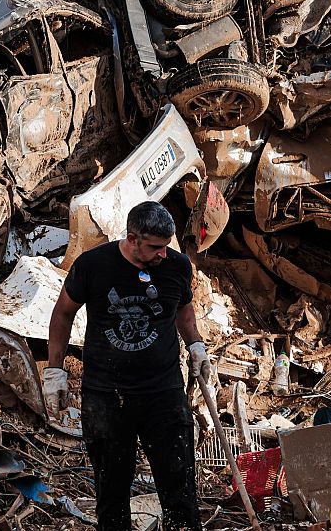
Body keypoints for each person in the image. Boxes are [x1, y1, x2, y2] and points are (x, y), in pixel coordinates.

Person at [45, 202, 212, 531]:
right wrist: (55, 371)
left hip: (163, 393)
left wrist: (195, 344)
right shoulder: (93, 265)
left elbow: (183, 309)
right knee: (112, 491)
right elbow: (63, 313)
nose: (163, 254)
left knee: (179, 485)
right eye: (155, 247)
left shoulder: (176, 265)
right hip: (107, 397)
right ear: (132, 239)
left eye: (167, 245)